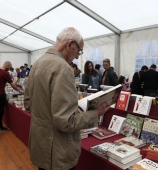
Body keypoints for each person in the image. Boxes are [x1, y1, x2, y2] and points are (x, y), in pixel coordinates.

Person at [24, 27, 110, 170]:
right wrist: (96, 113)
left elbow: (28, 104)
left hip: (41, 145)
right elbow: (66, 122)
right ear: (70, 44)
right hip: (58, 150)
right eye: (79, 51)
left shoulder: (38, 63)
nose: (77, 57)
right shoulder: (63, 68)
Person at [0, 61, 22, 131]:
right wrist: (19, 90)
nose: (9, 69)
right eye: (9, 67)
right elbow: (12, 85)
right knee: (0, 111)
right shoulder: (5, 73)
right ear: (7, 66)